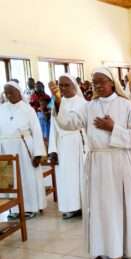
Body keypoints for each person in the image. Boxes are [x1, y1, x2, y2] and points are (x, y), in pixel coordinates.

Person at [52, 67, 131, 259]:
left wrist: (113, 128)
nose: (97, 85)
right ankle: (102, 250)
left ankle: (126, 252)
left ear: (112, 82)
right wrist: (58, 100)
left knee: (122, 207)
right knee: (100, 208)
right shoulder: (88, 107)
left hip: (121, 161)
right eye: (94, 81)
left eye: (102, 81)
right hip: (97, 163)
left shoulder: (126, 105)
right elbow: (68, 124)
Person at [0, 81, 47, 219]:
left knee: (27, 177)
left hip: (24, 147)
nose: (9, 95)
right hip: (6, 149)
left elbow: (37, 131)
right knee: (10, 179)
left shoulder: (28, 109)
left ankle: (30, 207)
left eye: (11, 92)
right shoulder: (1, 108)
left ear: (19, 93)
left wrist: (38, 154)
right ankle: (13, 208)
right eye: (6, 92)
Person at [48, 74, 87, 220]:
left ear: (74, 86)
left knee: (81, 176)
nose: (63, 88)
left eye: (66, 85)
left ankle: (84, 205)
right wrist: (53, 150)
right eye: (61, 85)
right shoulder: (58, 102)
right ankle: (70, 207)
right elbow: (53, 126)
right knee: (66, 177)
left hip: (78, 143)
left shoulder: (82, 102)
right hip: (63, 145)